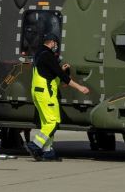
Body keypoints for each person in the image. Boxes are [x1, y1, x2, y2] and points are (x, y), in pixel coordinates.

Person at [27, 33, 89, 161]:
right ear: (52, 42)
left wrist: (59, 68)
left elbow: (48, 72)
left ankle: (48, 151)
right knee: (53, 122)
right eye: (56, 44)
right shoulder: (48, 55)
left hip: (37, 92)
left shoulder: (39, 53)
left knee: (46, 123)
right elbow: (63, 77)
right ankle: (36, 145)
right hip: (46, 94)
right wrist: (80, 87)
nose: (56, 46)